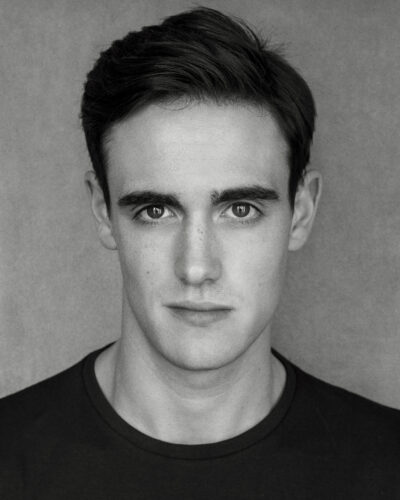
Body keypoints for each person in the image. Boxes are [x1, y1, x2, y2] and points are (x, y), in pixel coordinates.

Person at [1, 6, 399, 499]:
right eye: (155, 211)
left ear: (301, 211)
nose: (196, 268)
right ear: (103, 212)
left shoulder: (387, 466)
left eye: (240, 210)